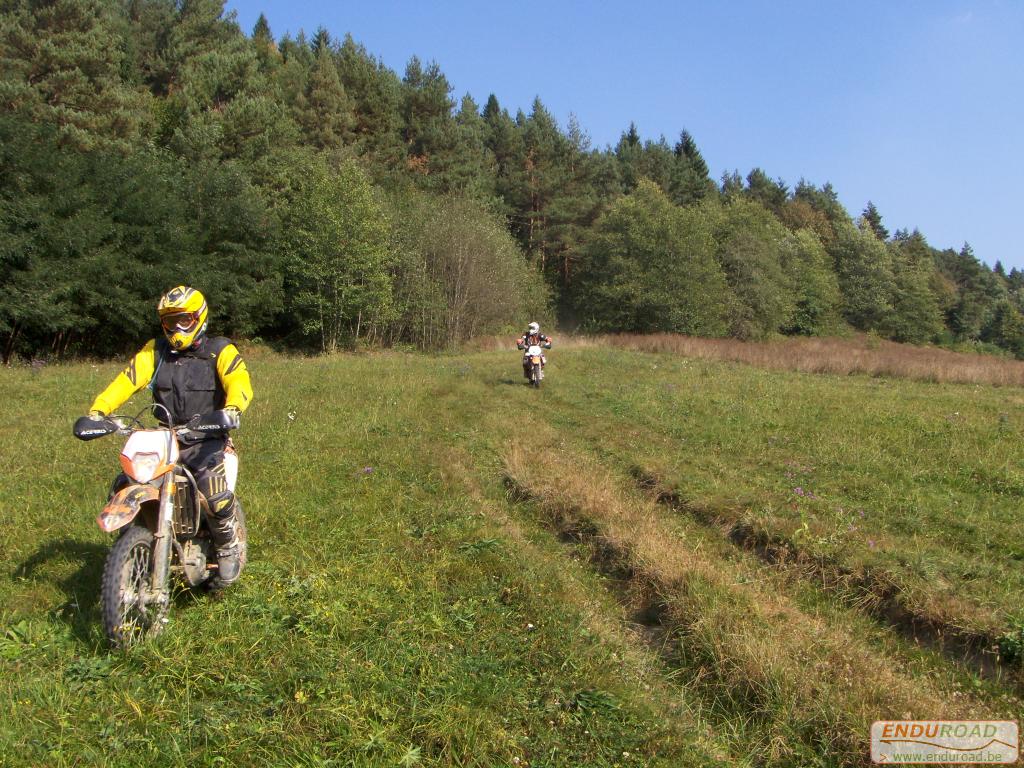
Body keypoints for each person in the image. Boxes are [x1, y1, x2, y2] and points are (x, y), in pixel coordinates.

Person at [82, 286, 253, 586]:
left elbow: (239, 380)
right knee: (126, 482)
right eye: (170, 321)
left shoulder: (221, 350)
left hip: (207, 438)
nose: (176, 328)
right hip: (165, 437)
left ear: (199, 317)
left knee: (214, 495)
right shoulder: (155, 351)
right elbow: (128, 379)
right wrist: (99, 411)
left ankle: (227, 546)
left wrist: (233, 408)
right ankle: (134, 544)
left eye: (184, 320)